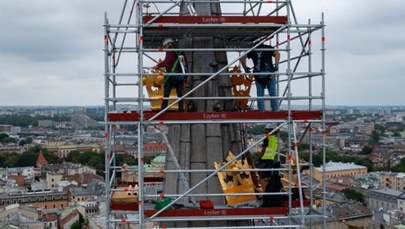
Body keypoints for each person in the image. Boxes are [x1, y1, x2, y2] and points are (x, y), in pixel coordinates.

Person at [240, 43, 280, 111]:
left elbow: (242, 58)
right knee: (273, 94)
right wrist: (276, 65)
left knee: (260, 96)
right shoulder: (268, 48)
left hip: (258, 75)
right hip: (269, 75)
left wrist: (245, 68)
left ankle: (262, 113)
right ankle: (275, 112)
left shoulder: (252, 49)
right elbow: (277, 54)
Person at [152, 38, 188, 112]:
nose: (165, 48)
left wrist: (158, 66)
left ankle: (163, 109)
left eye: (165, 46)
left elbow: (167, 61)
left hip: (171, 76)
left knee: (166, 93)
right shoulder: (180, 52)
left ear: (169, 44)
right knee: (180, 94)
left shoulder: (170, 51)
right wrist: (186, 76)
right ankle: (181, 110)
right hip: (180, 76)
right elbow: (185, 63)